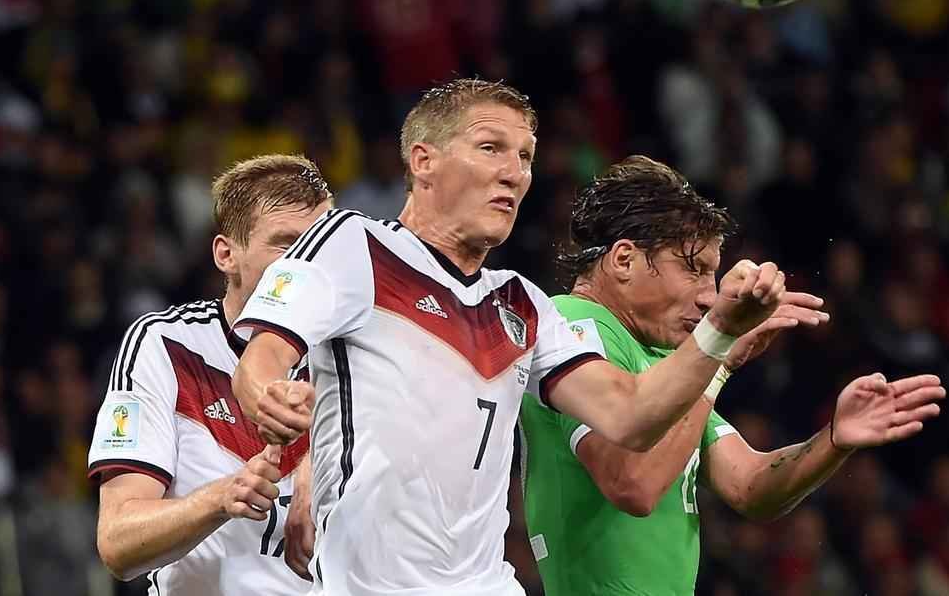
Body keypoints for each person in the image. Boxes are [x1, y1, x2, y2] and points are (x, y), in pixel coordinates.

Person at [230, 78, 798, 595]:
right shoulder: (353, 244)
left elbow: (629, 415)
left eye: (525, 156)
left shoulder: (523, 303)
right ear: (423, 162)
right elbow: (262, 360)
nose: (515, 172)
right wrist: (269, 396)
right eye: (491, 148)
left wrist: (719, 331)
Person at [518, 156, 947, 595]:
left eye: (714, 272)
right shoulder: (576, 325)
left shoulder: (664, 358)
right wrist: (718, 355)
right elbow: (633, 484)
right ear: (624, 260)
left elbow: (750, 486)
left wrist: (834, 439)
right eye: (694, 268)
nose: (709, 295)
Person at [88, 155, 331, 594]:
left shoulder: (354, 352)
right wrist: (220, 498)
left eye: (319, 248)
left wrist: (318, 463)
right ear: (226, 254)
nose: (306, 267)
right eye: (286, 245)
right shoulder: (167, 347)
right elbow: (118, 543)